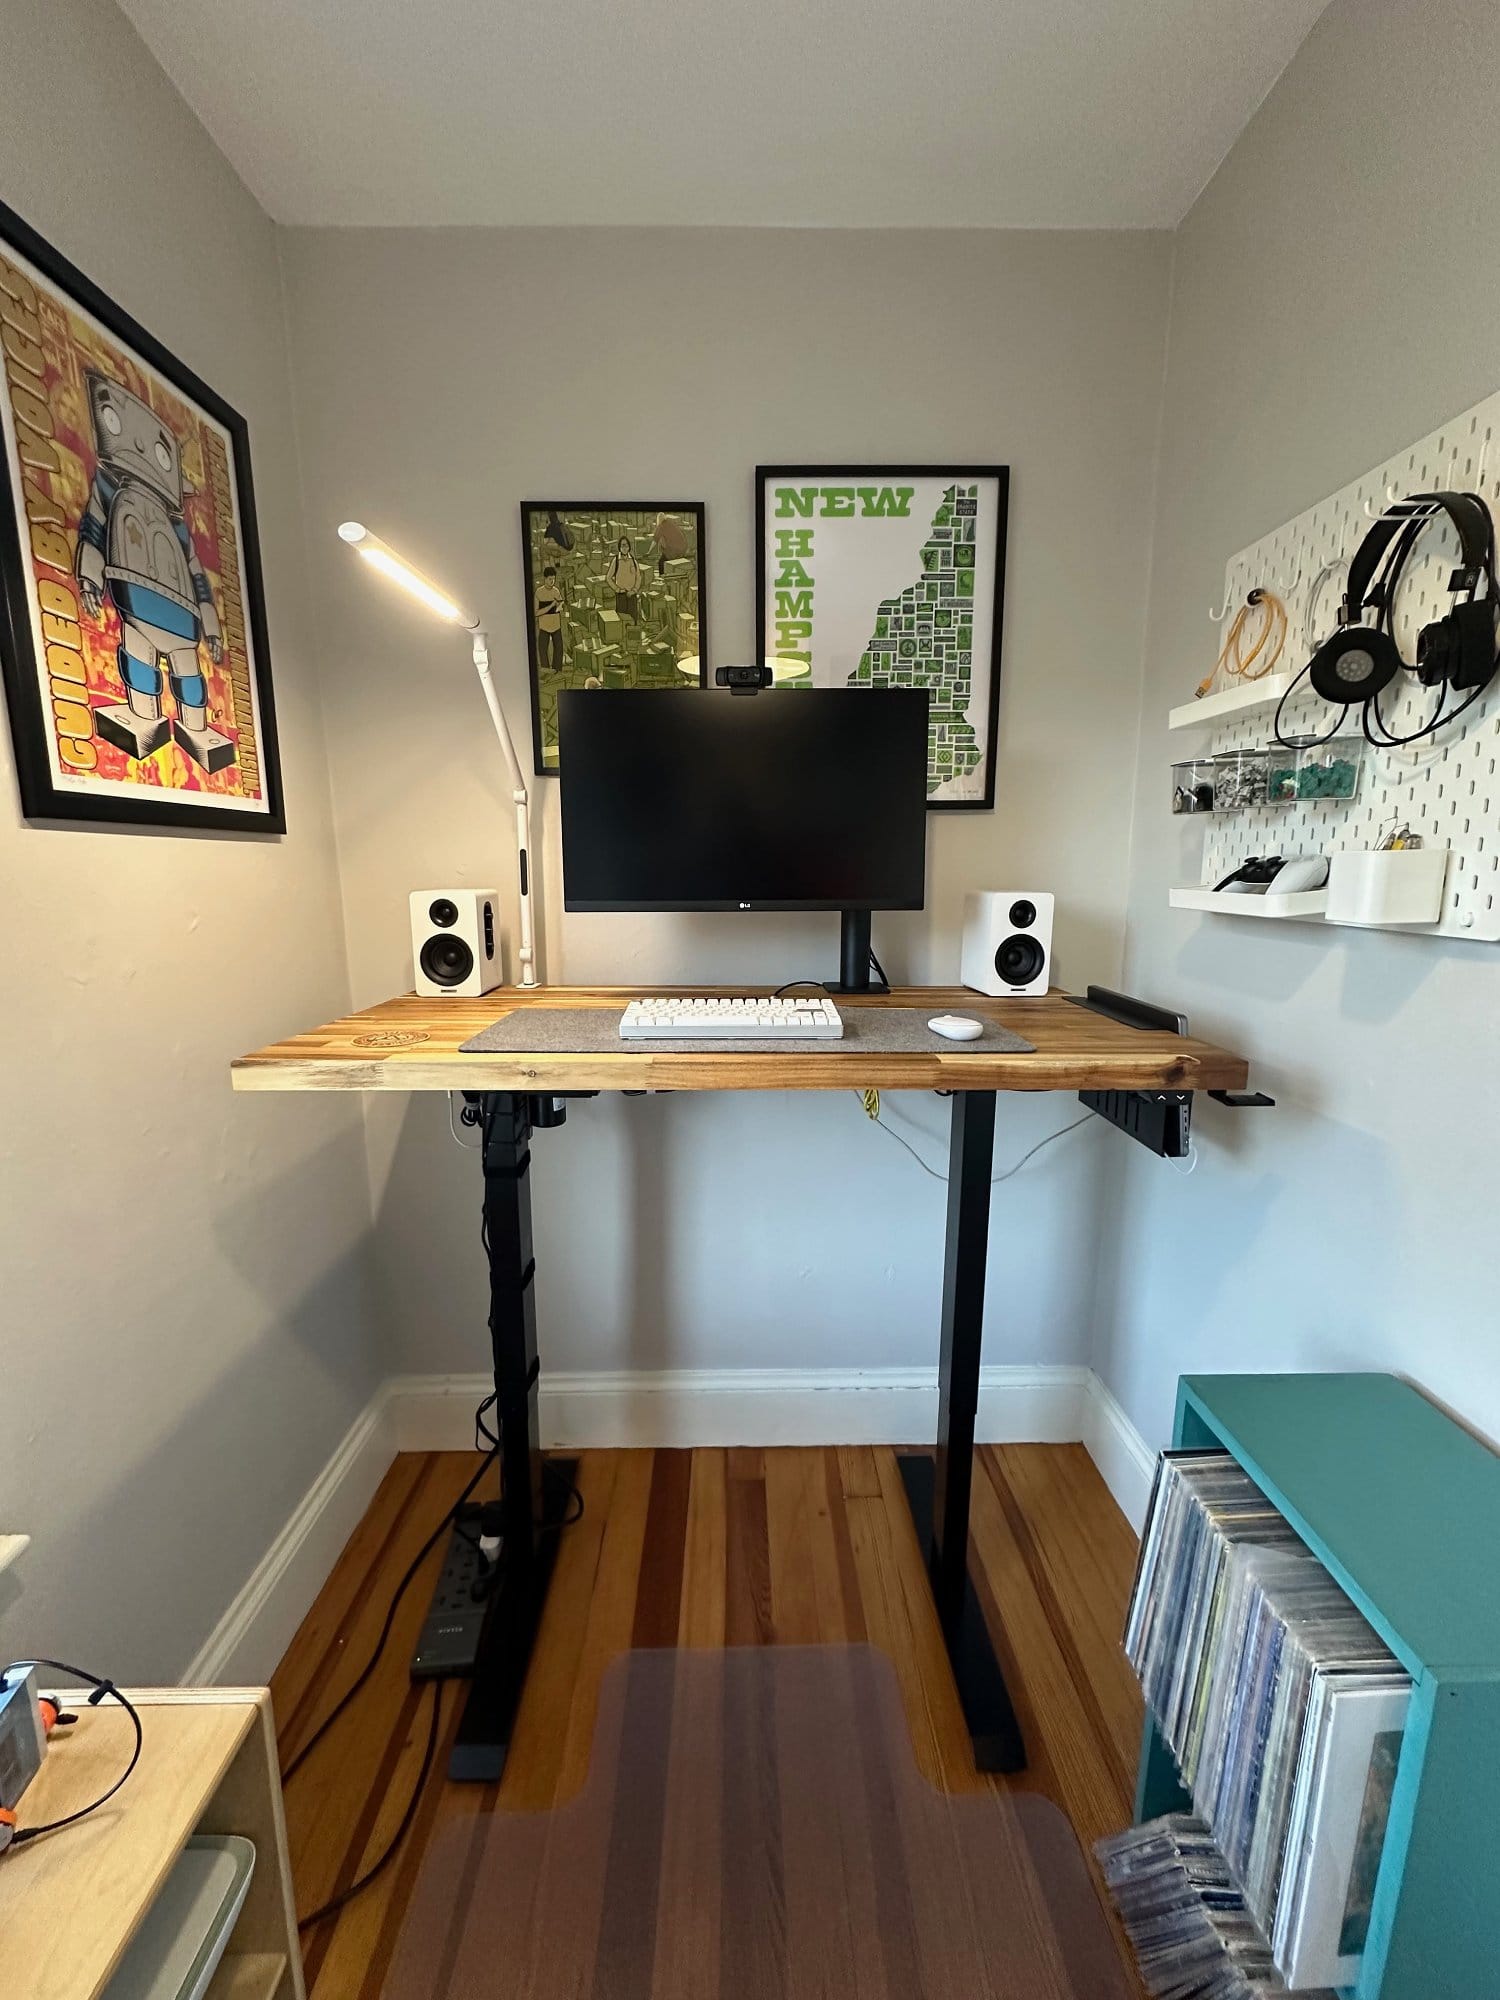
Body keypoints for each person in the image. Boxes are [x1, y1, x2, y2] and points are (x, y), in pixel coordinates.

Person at [535, 563, 564, 675]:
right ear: (545, 579)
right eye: (550, 579)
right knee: (543, 650)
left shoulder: (556, 591)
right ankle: (546, 672)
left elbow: (560, 605)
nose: (552, 581)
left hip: (556, 625)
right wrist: (551, 606)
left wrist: (560, 605)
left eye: (554, 579)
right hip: (544, 627)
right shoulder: (539, 592)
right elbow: (536, 612)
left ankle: (557, 671)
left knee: (559, 649)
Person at [606, 535, 642, 622]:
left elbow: (638, 577)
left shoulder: (633, 561)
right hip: (621, 595)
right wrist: (617, 589)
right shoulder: (616, 561)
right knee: (622, 621)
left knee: (633, 620)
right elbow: (608, 578)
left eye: (626, 545)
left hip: (632, 595)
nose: (625, 548)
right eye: (622, 545)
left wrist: (634, 590)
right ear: (619, 547)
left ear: (629, 547)